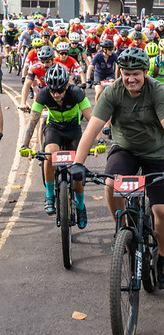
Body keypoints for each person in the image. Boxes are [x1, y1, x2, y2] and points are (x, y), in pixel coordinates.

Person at [70, 47, 164, 289]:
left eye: (135, 73)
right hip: (124, 149)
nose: (130, 79)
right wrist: (78, 163)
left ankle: (163, 259)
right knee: (110, 184)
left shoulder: (157, 91)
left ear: (145, 73)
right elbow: (93, 128)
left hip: (156, 153)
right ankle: (123, 230)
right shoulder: (112, 91)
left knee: (163, 211)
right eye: (126, 73)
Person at [19, 63, 104, 227]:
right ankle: (50, 194)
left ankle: (80, 206)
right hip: (54, 129)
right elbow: (33, 121)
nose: (56, 95)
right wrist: (24, 145)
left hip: (73, 131)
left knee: (77, 171)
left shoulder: (76, 93)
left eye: (60, 91)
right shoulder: (43, 94)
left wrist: (99, 140)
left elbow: (92, 119)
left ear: (67, 85)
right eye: (52, 91)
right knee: (49, 155)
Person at [19, 45, 55, 111]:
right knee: (39, 117)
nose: (45, 65)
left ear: (52, 60)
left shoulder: (59, 67)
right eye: (42, 62)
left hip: (57, 93)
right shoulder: (35, 68)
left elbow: (69, 84)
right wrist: (23, 103)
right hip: (42, 92)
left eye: (47, 62)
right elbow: (26, 85)